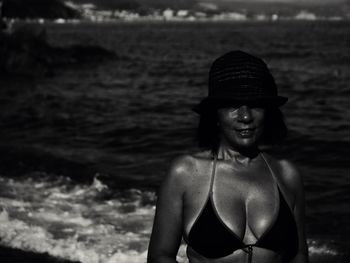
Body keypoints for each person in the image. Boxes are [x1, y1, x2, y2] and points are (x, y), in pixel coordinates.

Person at [147, 50, 308, 263]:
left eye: (256, 105)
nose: (245, 116)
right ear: (215, 113)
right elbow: (160, 257)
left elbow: (299, 255)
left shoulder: (287, 174)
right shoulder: (186, 173)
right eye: (233, 105)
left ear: (268, 111)